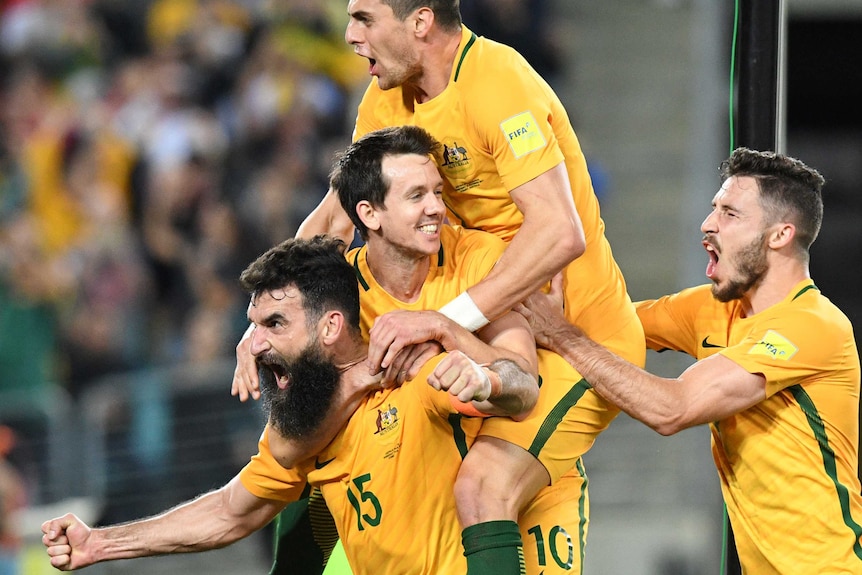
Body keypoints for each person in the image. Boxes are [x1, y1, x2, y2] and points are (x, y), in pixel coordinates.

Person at [41, 235, 540, 574]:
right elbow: (228, 513)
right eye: (253, 325)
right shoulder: (304, 427)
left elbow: (522, 392)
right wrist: (101, 543)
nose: (253, 345)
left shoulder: (413, 374)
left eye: (274, 324)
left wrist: (484, 379)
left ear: (330, 327)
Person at [516, 147, 862, 574]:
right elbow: (610, 327)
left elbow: (672, 409)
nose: (708, 223)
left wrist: (561, 336)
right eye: (714, 208)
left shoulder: (814, 327)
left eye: (730, 214)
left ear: (780, 235)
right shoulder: (712, 308)